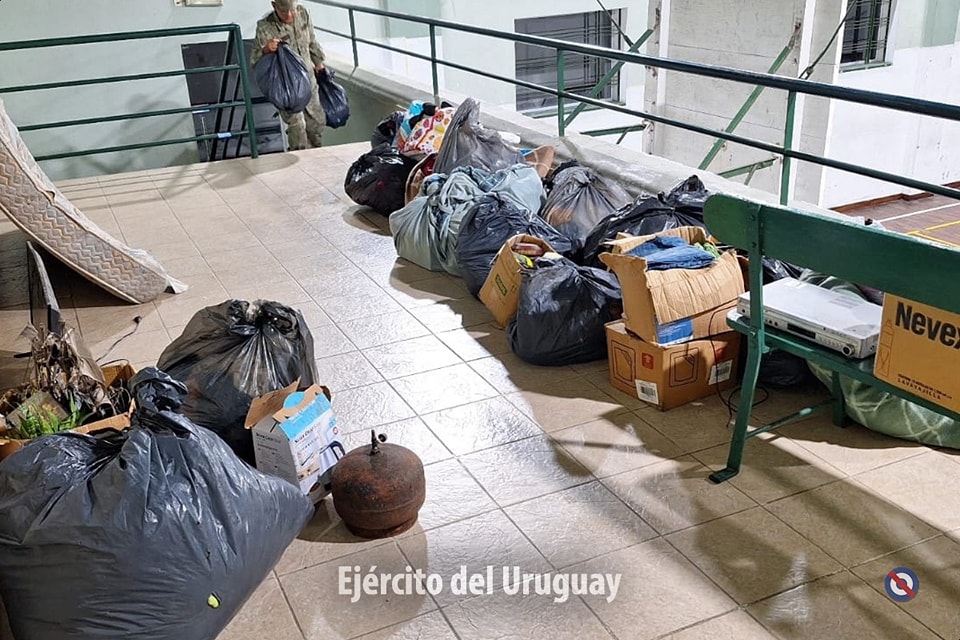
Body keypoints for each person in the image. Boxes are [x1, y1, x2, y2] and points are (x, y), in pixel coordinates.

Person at [251, 0, 326, 150]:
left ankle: (316, 153)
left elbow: (311, 41)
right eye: (285, 11)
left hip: (308, 80)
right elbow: (254, 60)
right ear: (274, 6)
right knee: (297, 125)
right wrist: (266, 50)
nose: (290, 15)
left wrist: (319, 63)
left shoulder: (303, 14)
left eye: (293, 10)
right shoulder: (265, 27)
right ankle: (300, 156)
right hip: (286, 85)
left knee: (316, 123)